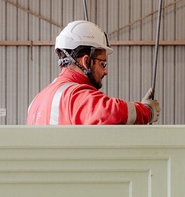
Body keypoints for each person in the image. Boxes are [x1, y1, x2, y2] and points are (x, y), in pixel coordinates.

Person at [27, 20, 160, 126]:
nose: (105, 71)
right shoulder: (74, 95)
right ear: (86, 61)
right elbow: (110, 112)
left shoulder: (38, 100)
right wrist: (147, 111)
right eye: (102, 64)